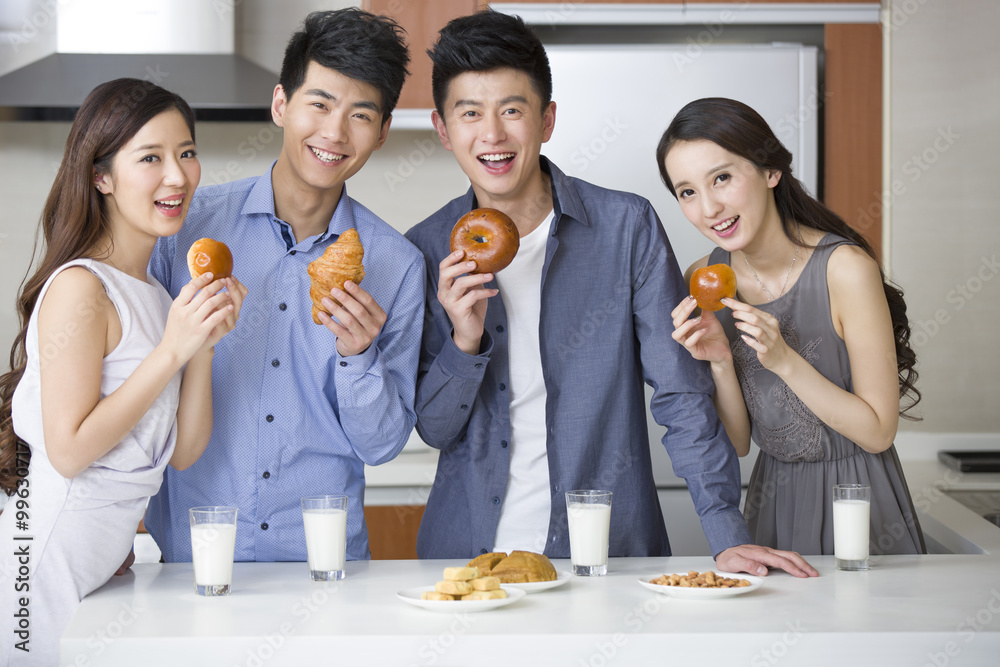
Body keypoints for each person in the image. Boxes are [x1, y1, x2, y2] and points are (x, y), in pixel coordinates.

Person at [405, 11, 816, 577]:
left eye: (512, 110)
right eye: (470, 113)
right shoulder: (426, 250)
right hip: (468, 559)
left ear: (547, 120)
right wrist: (464, 338)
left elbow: (680, 392)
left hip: (605, 556)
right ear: (443, 128)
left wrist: (725, 533)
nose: (493, 134)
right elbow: (434, 428)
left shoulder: (625, 228)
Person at [144, 8, 425, 563]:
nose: (334, 132)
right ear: (281, 105)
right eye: (319, 104)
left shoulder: (396, 265)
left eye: (361, 114)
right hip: (196, 554)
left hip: (322, 565)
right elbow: (135, 380)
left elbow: (382, 445)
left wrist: (359, 356)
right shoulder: (188, 230)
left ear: (384, 131)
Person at [0, 78, 246, 665]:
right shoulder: (81, 289)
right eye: (151, 158)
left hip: (102, 568)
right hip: (45, 565)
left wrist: (203, 344)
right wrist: (171, 351)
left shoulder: (160, 296)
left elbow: (183, 453)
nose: (178, 175)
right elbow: (68, 450)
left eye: (187, 152)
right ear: (100, 176)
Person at [660, 97, 925, 555]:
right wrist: (721, 361)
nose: (709, 207)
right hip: (771, 501)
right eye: (687, 192)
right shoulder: (703, 279)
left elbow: (879, 431)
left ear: (770, 171)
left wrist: (784, 360)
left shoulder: (845, 269)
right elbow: (740, 443)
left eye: (722, 178)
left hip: (858, 500)